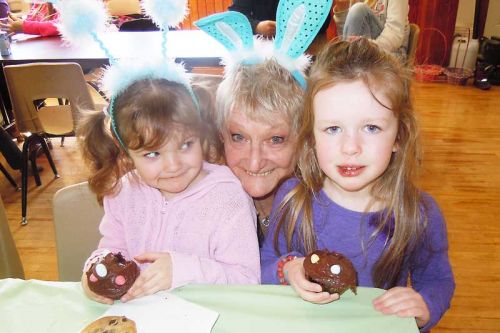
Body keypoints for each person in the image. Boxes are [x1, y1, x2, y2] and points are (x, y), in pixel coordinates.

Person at [260, 38, 455, 332]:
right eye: (333, 128)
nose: (351, 147)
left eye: (371, 127)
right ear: (312, 138)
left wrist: (425, 305)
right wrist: (288, 269)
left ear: (399, 137)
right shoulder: (292, 200)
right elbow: (267, 264)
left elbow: (438, 280)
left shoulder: (420, 214)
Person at [78, 77, 260, 305]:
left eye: (185, 145)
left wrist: (181, 270)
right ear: (126, 154)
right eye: (153, 154)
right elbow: (111, 250)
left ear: (201, 137)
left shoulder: (229, 198)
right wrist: (95, 271)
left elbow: (247, 280)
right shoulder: (123, 193)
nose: (174, 165)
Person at [228, 0, 332, 54]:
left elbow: (323, 20)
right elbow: (235, 16)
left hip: (308, 44)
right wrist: (257, 26)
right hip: (265, 46)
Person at [333, 0, 409, 55]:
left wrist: (367, 46)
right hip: (362, 57)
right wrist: (342, 9)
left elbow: (395, 34)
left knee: (358, 9)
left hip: (393, 55)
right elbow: (345, 39)